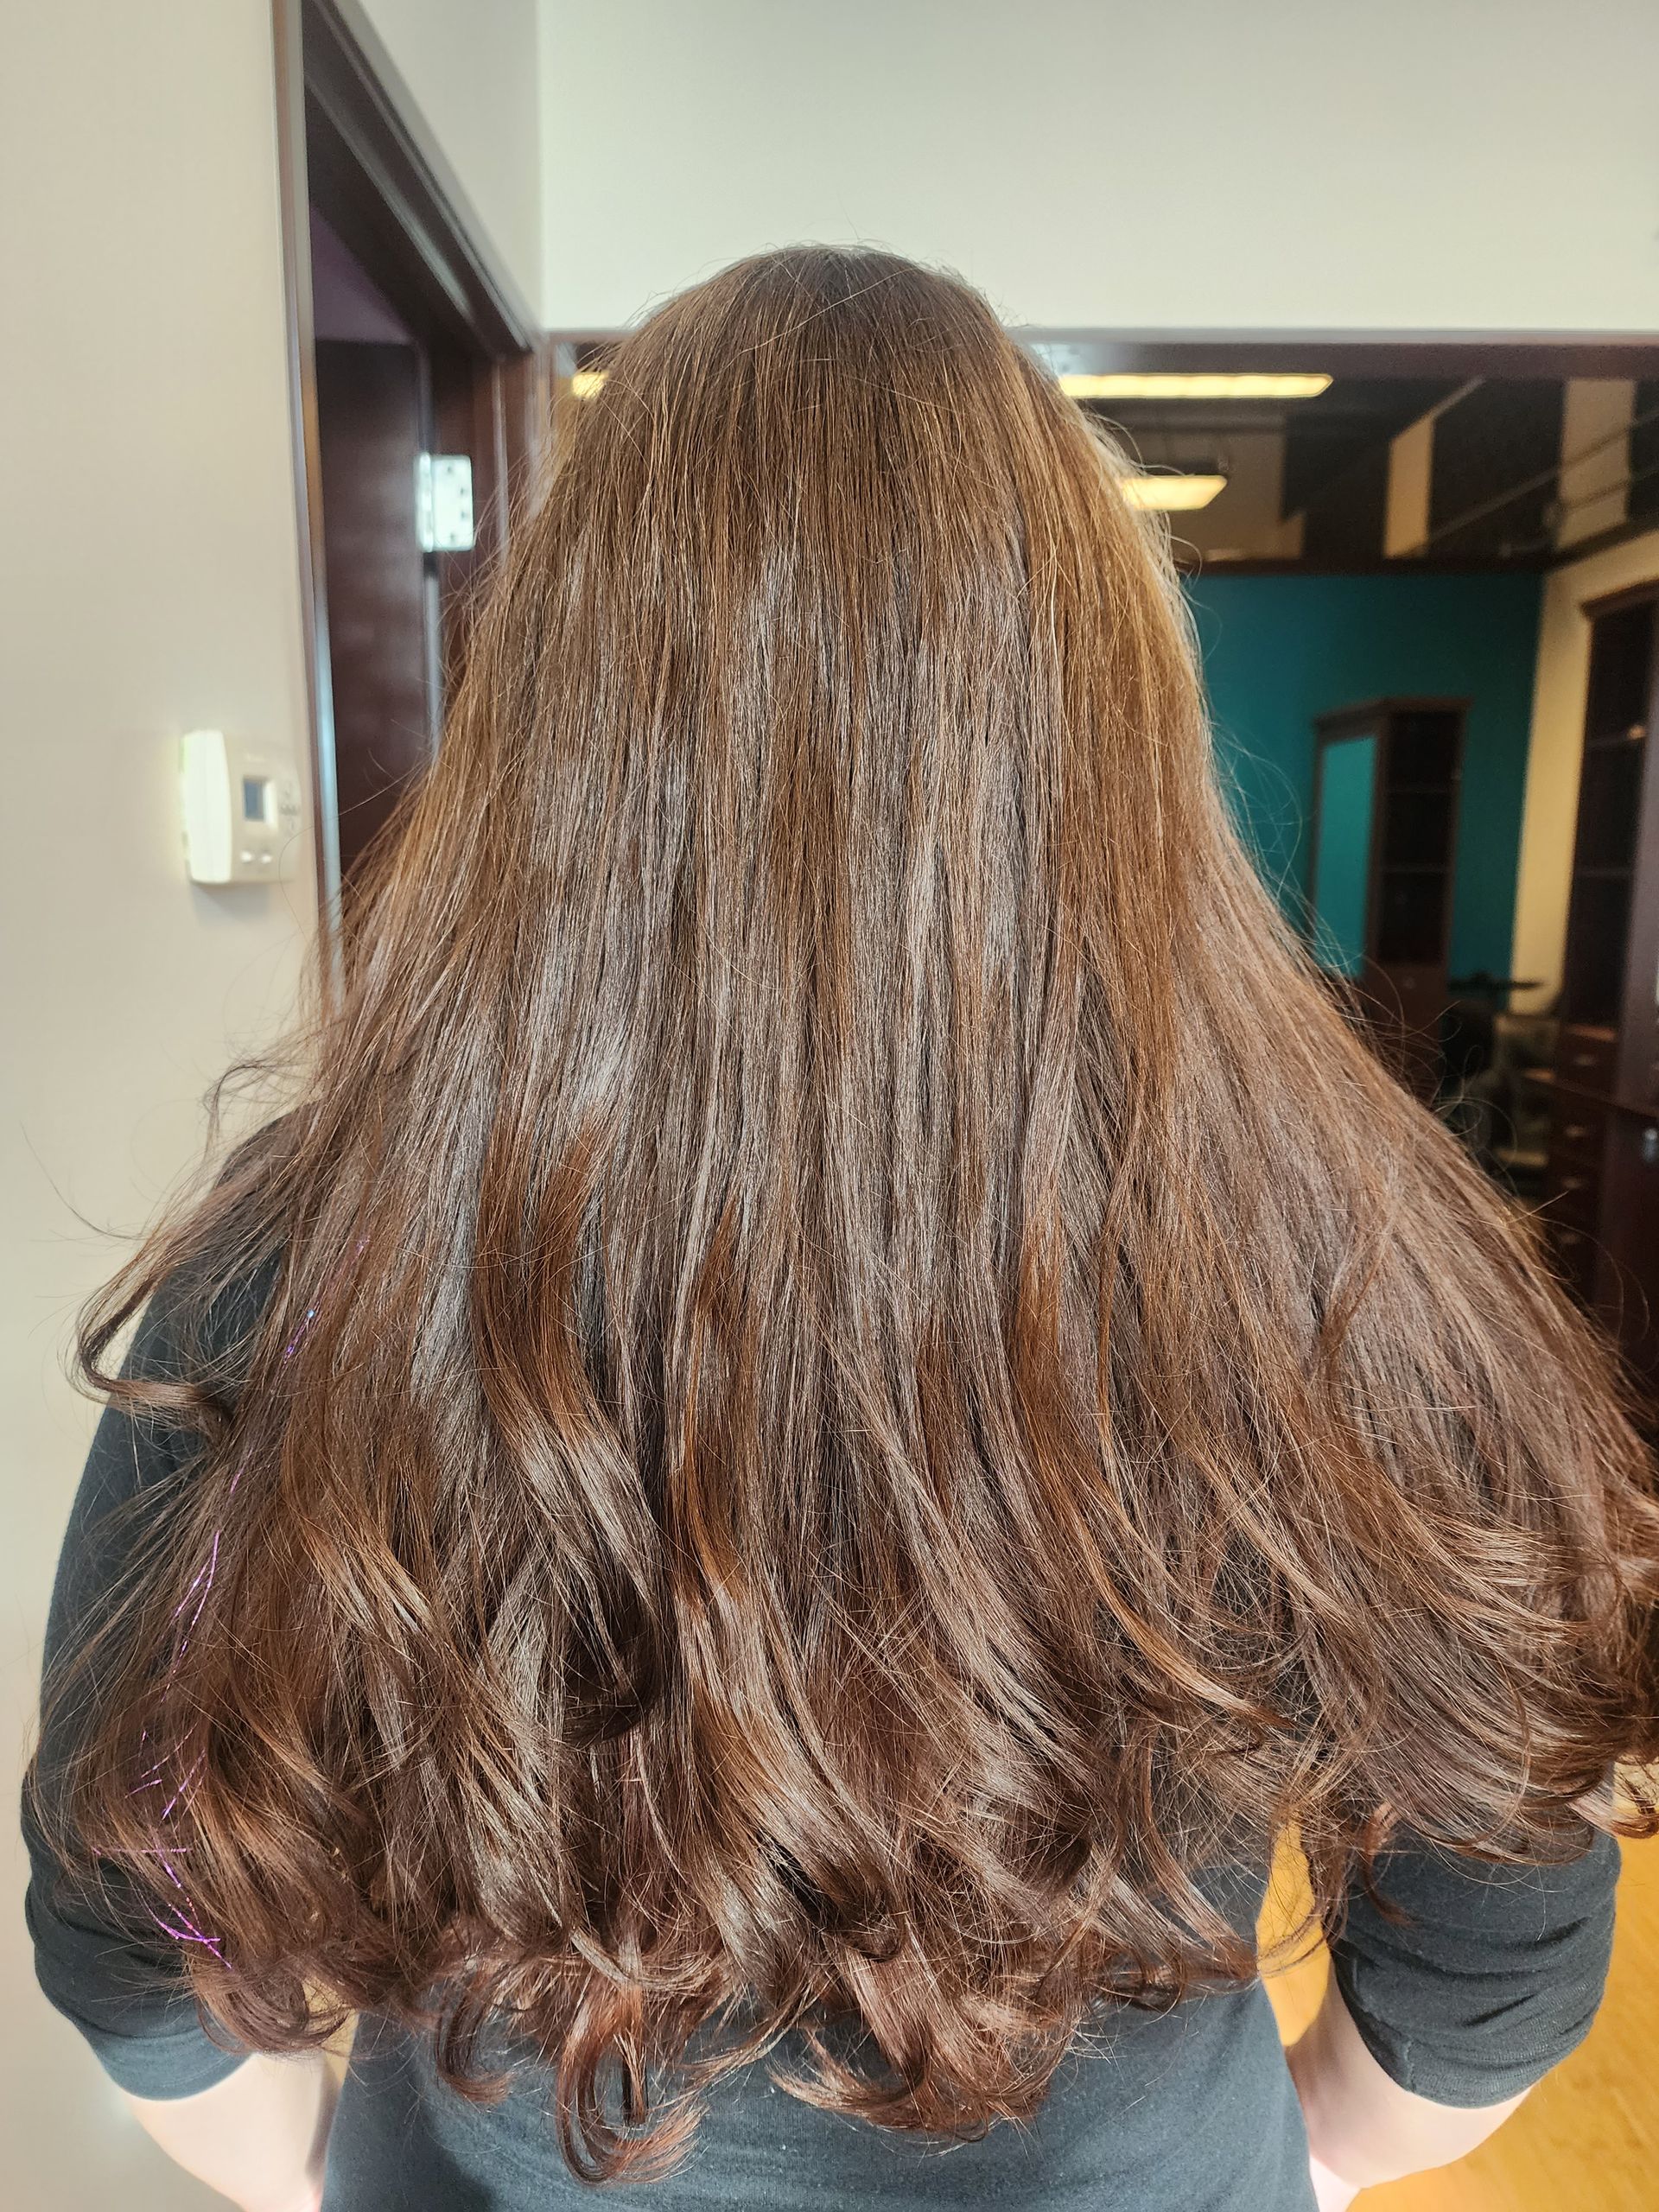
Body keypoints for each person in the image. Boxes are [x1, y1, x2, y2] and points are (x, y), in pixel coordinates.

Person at [23, 245, 1659, 2212]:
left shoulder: (302, 1268)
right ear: (1118, 728)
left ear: (555, 726)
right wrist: (1279, 2155)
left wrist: (326, 2176)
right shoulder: (1351, 1269)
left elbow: (139, 1935)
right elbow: (1491, 1964)